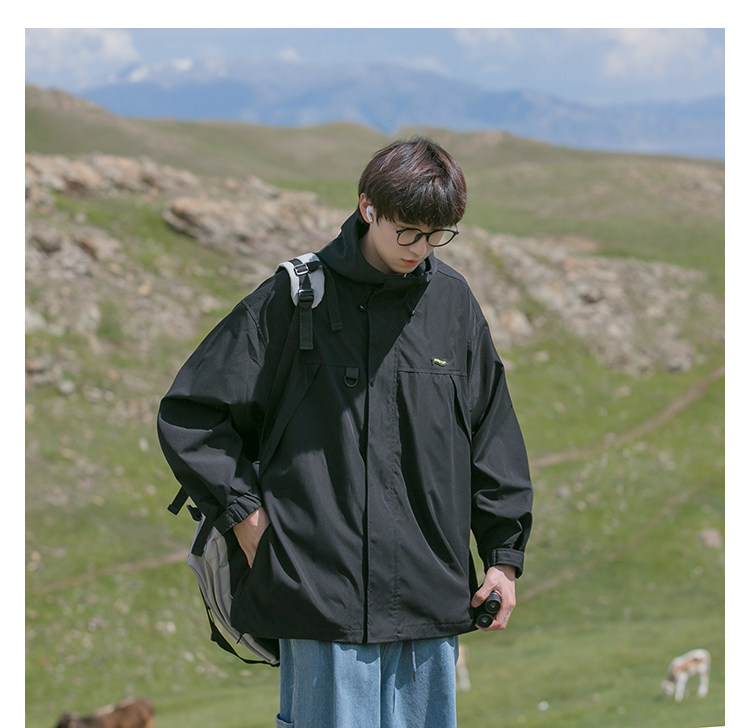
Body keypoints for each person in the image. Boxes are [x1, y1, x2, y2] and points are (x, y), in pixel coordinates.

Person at [157, 137, 533, 728]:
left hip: (429, 597)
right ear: (367, 207)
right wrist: (247, 522)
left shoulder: (452, 302)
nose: (420, 249)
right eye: (406, 232)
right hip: (318, 596)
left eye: (436, 236)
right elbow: (192, 415)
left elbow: (493, 435)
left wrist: (502, 559)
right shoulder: (295, 299)